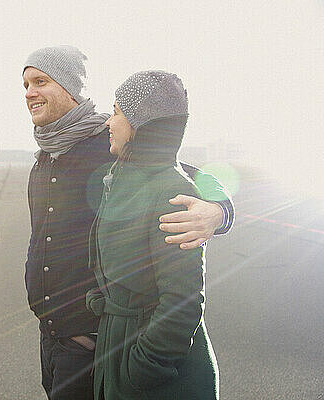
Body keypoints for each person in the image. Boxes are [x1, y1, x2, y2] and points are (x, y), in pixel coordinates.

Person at [22, 46, 232, 400]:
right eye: (25, 84)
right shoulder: (44, 157)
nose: (29, 92)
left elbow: (189, 175)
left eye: (40, 81)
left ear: (70, 88)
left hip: (92, 344)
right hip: (51, 337)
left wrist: (219, 210)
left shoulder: (111, 145)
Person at [86, 71, 219, 400]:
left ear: (140, 124)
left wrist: (143, 370)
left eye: (117, 112)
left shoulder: (171, 190)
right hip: (118, 347)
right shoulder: (125, 177)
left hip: (150, 373)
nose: (108, 122)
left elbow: (182, 302)